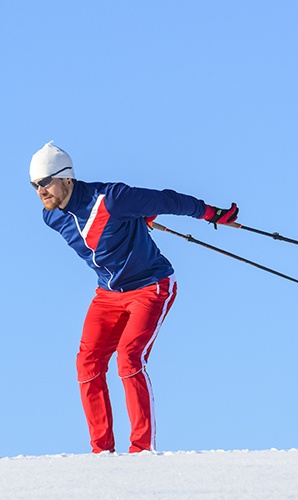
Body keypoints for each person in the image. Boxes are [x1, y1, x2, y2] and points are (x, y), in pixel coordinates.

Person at [29, 141, 238, 454]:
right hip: (108, 294)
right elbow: (102, 239)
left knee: (129, 358)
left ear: (66, 177)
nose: (41, 191)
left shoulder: (113, 199)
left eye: (46, 182)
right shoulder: (52, 217)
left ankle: (141, 451)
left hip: (151, 286)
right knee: (87, 364)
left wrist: (212, 213)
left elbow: (168, 200)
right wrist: (138, 220)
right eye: (34, 185)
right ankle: (101, 452)